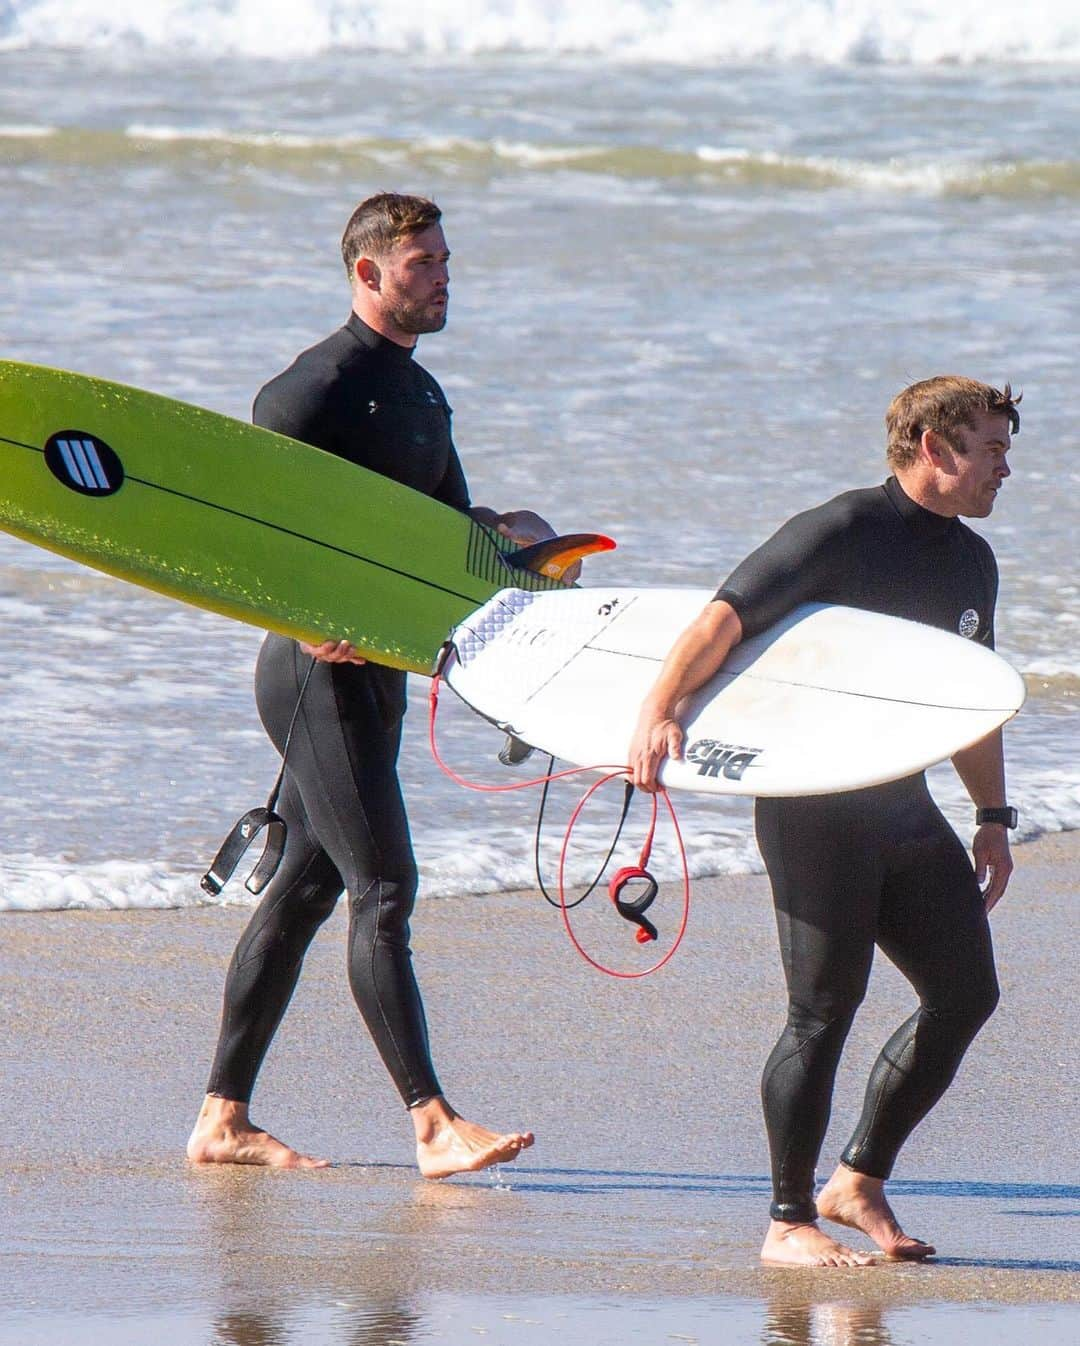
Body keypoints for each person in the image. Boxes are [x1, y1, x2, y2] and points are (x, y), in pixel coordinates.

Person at [188, 193, 559, 1177]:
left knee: (308, 889)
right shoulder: (307, 392)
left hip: (381, 671)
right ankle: (433, 1121)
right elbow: (240, 536)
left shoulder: (422, 395)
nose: (443, 276)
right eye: (423, 262)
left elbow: (446, 538)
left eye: (445, 260)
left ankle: (222, 1118)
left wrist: (515, 538)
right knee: (384, 886)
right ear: (367, 272)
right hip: (317, 674)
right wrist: (313, 618)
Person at [629, 376, 1020, 1266]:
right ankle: (786, 1219)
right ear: (934, 447)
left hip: (903, 805)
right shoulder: (841, 531)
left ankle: (858, 1182)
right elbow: (722, 620)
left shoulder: (973, 563)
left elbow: (969, 704)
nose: (1005, 469)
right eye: (991, 449)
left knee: (965, 994)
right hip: (814, 811)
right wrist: (659, 711)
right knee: (822, 1013)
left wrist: (991, 817)